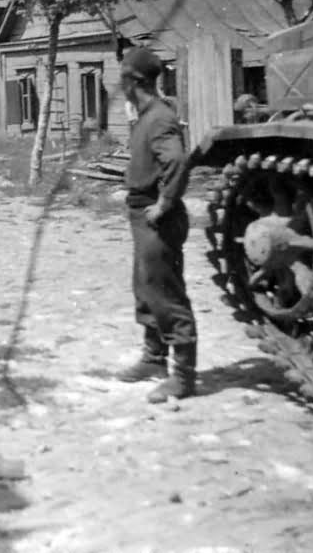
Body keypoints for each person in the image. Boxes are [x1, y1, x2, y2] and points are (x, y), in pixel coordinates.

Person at [114, 47, 199, 403]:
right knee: (145, 288)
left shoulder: (159, 117)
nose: (119, 83)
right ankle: (153, 359)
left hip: (157, 218)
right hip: (142, 215)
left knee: (165, 293)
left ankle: (183, 376)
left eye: (122, 76)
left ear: (135, 81)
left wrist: (164, 203)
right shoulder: (146, 115)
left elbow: (178, 162)